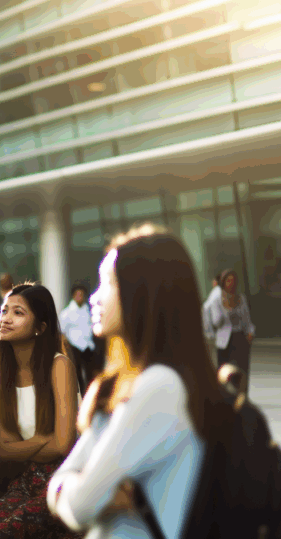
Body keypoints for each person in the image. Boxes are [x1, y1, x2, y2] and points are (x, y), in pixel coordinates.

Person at [47, 224, 222, 538]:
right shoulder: (121, 385)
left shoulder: (160, 386)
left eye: (108, 284)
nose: (94, 298)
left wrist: (78, 490)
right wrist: (86, 490)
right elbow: (59, 487)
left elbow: (78, 505)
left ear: (143, 295)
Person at [0, 283, 80, 539]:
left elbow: (64, 445)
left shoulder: (59, 366)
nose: (5, 319)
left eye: (18, 313)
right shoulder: (1, 378)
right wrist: (43, 439)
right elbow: (6, 450)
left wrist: (28, 447)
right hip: (27, 476)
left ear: (41, 327)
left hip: (65, 478)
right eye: (4, 310)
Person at [205, 269, 255, 390]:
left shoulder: (241, 298)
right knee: (224, 370)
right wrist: (224, 309)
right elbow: (216, 321)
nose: (231, 283)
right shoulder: (217, 299)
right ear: (223, 282)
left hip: (240, 337)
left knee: (242, 369)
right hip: (224, 340)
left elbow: (247, 320)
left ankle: (242, 396)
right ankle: (225, 397)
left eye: (233, 280)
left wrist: (250, 333)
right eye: (228, 280)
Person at [60, 284, 98, 394]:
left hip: (88, 345)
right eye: (77, 295)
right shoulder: (66, 313)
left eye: (81, 295)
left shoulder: (88, 311)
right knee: (77, 374)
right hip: (74, 346)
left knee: (91, 373)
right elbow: (62, 332)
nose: (79, 297)